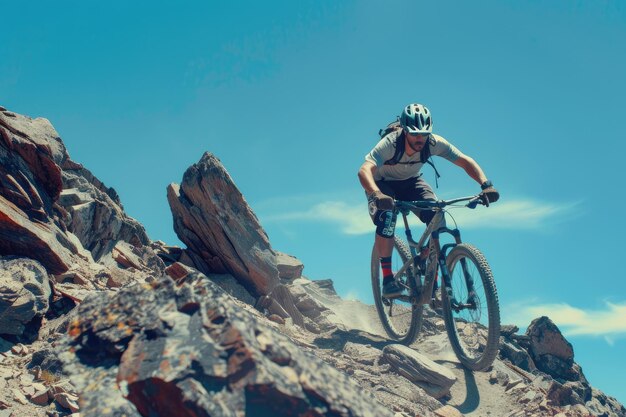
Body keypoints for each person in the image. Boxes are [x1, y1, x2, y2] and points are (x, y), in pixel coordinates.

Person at [358, 103, 500, 298]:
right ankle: (388, 279)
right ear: (405, 131)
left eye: (424, 134)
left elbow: (464, 161)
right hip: (382, 185)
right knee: (387, 218)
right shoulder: (390, 144)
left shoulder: (433, 143)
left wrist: (486, 184)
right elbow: (364, 170)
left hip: (411, 182)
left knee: (437, 215)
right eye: (415, 134)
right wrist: (376, 194)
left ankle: (431, 278)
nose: (420, 139)